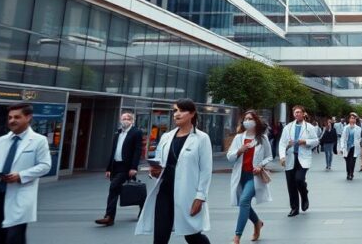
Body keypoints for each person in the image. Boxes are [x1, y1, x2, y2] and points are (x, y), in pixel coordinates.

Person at [0, 102, 52, 244]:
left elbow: (45, 165)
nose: (12, 120)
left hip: (20, 195)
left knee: (14, 236)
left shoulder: (39, 140)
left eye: (17, 117)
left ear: (28, 117)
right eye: (10, 117)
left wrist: (21, 175)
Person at [136, 99, 213, 244]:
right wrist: (154, 172)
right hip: (164, 191)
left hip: (187, 194)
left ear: (192, 114)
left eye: (181, 111)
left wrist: (200, 197)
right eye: (175, 111)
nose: (176, 114)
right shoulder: (166, 137)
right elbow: (159, 162)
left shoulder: (202, 138)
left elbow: (206, 170)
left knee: (192, 235)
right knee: (160, 236)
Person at [225, 110, 271, 244]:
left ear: (256, 121)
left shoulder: (262, 138)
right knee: (243, 204)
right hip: (241, 176)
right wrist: (240, 150)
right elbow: (229, 157)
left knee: (244, 201)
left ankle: (237, 237)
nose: (247, 121)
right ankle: (257, 222)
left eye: (250, 118)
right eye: (245, 119)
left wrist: (260, 165)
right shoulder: (239, 138)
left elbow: (269, 156)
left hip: (253, 176)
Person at [96, 111, 144, 226]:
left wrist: (134, 167)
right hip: (116, 166)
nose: (125, 120)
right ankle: (144, 209)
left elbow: (137, 150)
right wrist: (108, 168)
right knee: (125, 190)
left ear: (132, 121)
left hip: (126, 167)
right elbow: (113, 151)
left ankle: (109, 217)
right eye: (123, 118)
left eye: (128, 118)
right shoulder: (118, 133)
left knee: (113, 188)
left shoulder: (136, 132)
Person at [277, 105, 319, 217]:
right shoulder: (288, 127)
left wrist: (305, 141)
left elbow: (316, 141)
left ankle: (304, 195)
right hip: (290, 157)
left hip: (303, 158)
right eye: (295, 112)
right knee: (291, 184)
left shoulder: (309, 127)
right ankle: (294, 208)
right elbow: (282, 143)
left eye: (299, 112)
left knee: (299, 179)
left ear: (303, 113)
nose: (297, 114)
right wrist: (282, 156)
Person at [338, 113, 362, 180]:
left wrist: (358, 141)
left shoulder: (358, 128)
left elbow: (361, 137)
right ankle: (348, 173)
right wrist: (342, 147)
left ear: (355, 120)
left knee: (353, 161)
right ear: (349, 119)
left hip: (354, 147)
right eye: (351, 118)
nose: (352, 119)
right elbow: (343, 138)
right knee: (348, 161)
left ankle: (351, 173)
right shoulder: (346, 128)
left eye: (354, 118)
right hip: (347, 147)